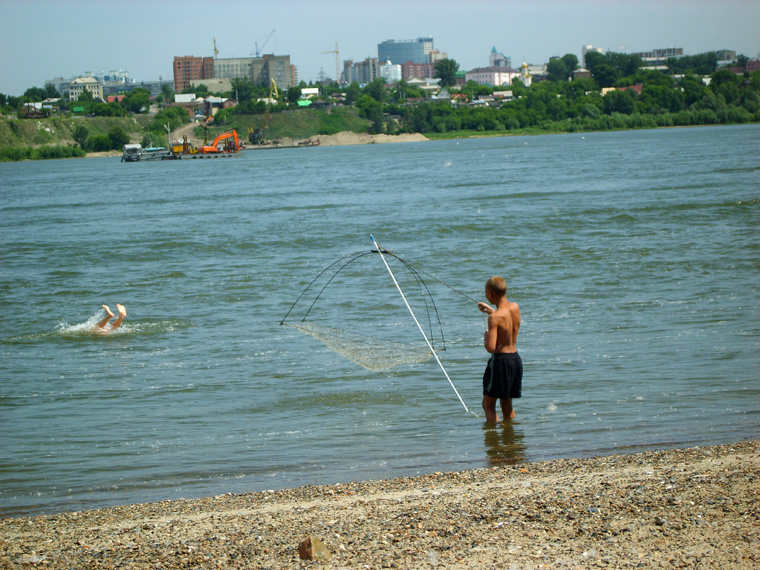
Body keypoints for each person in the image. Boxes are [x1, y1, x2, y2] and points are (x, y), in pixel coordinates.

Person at [477, 276, 522, 422]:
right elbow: (505, 321)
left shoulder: (494, 318)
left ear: (490, 293)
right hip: (515, 359)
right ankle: (510, 437)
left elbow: (491, 348)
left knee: (488, 404)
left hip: (501, 362)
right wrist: (491, 311)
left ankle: (493, 441)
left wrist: (486, 337)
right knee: (507, 403)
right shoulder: (515, 307)